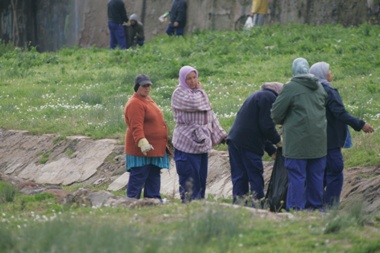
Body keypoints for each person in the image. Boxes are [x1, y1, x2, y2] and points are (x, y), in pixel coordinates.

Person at [309, 62, 375, 207]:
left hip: (315, 140)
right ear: (323, 74)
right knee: (335, 172)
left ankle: (314, 205)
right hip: (331, 140)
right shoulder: (328, 92)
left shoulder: (311, 92)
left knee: (321, 174)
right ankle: (330, 207)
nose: (331, 73)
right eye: (329, 71)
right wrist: (361, 124)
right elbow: (340, 113)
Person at [271, 58, 328, 211]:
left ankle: (296, 210)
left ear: (294, 70)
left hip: (297, 142)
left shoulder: (291, 88)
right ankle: (315, 209)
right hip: (318, 141)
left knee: (297, 176)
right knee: (316, 176)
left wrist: (286, 120)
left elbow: (276, 114)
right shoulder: (319, 87)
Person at [171, 66, 227, 203]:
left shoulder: (199, 93)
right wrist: (199, 90)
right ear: (183, 80)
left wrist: (221, 134)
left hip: (201, 143)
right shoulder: (179, 93)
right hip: (186, 143)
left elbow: (210, 114)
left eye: (194, 77)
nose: (192, 81)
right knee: (189, 179)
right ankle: (188, 208)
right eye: (188, 79)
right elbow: (195, 103)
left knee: (200, 179)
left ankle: (199, 207)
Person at [227, 82, 283, 206]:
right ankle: (258, 206)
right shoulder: (270, 98)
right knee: (255, 176)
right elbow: (267, 126)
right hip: (248, 143)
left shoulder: (260, 95)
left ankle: (239, 206)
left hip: (235, 140)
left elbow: (259, 126)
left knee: (239, 176)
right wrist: (278, 142)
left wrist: (271, 150)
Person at [124, 74, 170, 200]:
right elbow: (136, 126)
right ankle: (132, 202)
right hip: (141, 151)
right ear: (137, 87)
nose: (147, 88)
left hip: (153, 149)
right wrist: (141, 142)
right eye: (144, 86)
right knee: (139, 175)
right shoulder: (135, 103)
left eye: (148, 85)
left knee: (153, 175)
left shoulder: (148, 100)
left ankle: (153, 201)